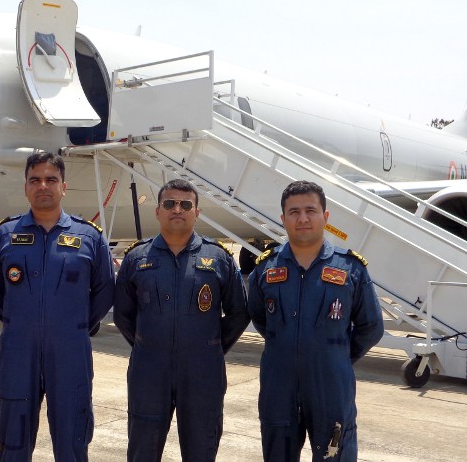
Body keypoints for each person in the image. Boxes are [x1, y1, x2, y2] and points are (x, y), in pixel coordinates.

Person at [0, 151, 115, 461]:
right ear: (26, 187)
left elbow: (104, 289)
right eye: (35, 180)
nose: (43, 186)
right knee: (14, 438)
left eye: (51, 179)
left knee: (72, 438)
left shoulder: (89, 236)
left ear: (63, 187)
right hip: (18, 351)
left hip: (71, 350)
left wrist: (75, 323)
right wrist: (19, 319)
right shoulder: (4, 234)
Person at [113, 178, 250, 462]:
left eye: (186, 204)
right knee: (142, 450)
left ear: (196, 212)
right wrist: (148, 344)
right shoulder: (136, 258)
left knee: (202, 448)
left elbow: (238, 313)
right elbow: (123, 315)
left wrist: (210, 347)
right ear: (158, 211)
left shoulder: (219, 258)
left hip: (203, 373)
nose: (178, 209)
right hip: (148, 372)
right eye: (170, 203)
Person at [247, 180, 384, 462]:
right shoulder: (265, 268)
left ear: (326, 216)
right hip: (278, 385)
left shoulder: (350, 268)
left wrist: (336, 356)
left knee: (335, 454)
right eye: (294, 212)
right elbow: (261, 319)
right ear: (283, 219)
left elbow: (371, 327)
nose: (303, 218)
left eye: (311, 210)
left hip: (331, 385)